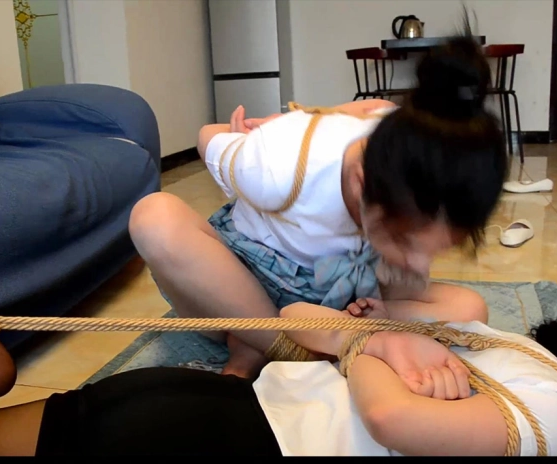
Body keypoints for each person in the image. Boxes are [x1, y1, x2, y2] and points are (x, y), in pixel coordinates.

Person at [0, 146, 557, 457]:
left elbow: (364, 383)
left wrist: (374, 343)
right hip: (230, 415)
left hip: (221, 414)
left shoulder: (533, 389)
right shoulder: (540, 386)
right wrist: (380, 341)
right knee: (157, 217)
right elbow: (314, 338)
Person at [128, 27, 507, 376]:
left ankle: (281, 342)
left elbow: (377, 106)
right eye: (406, 243)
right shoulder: (278, 164)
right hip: (244, 288)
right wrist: (262, 134)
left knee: (470, 309)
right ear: (362, 184)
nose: (420, 266)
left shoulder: (405, 132)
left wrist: (383, 308)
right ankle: (282, 344)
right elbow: (208, 135)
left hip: (340, 293)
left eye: (435, 250)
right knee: (154, 218)